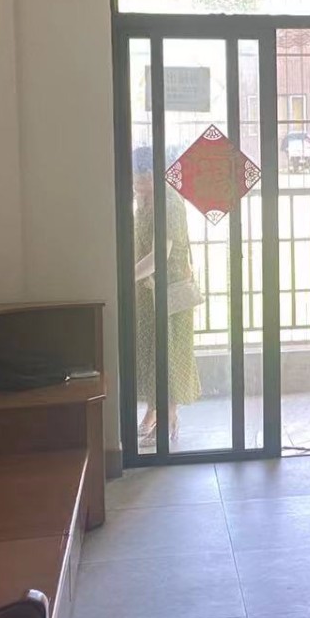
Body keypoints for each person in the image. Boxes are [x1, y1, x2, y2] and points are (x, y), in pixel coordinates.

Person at [133, 146, 202, 443]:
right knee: (151, 351)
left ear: (150, 175)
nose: (134, 182)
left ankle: (169, 413)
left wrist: (126, 276)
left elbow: (161, 254)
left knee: (169, 352)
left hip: (170, 291)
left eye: (137, 176)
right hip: (147, 289)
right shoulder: (144, 201)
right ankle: (152, 410)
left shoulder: (169, 201)